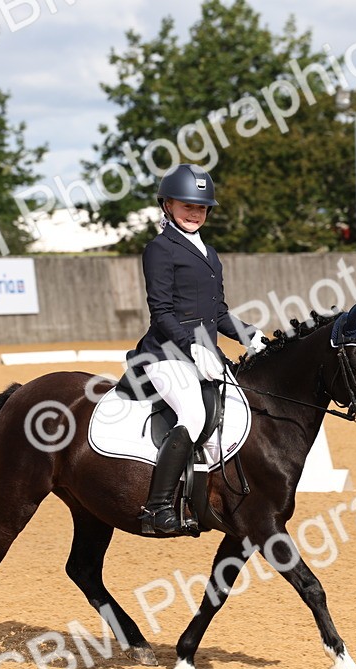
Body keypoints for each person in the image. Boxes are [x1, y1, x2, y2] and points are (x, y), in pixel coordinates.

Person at [131, 163, 265, 536]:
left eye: (201, 207)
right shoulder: (159, 249)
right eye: (187, 206)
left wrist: (248, 334)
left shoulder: (210, 252)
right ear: (167, 206)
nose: (194, 213)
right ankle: (156, 509)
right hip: (164, 355)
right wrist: (193, 348)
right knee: (192, 412)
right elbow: (161, 312)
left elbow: (217, 311)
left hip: (205, 355)